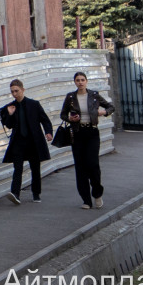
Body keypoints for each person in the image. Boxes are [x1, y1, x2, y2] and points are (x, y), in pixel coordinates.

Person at [61, 70, 115, 209]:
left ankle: (97, 194)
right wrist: (70, 118)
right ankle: (86, 200)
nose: (80, 82)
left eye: (82, 80)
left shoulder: (94, 95)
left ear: (86, 81)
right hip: (77, 133)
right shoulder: (71, 97)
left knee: (92, 164)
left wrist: (104, 112)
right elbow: (63, 114)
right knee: (80, 167)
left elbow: (111, 107)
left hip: (91, 132)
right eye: (77, 80)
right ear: (75, 82)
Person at [0, 78, 52, 204]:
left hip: (33, 141)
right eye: (12, 92)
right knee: (17, 168)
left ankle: (36, 193)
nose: (14, 94)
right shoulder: (10, 107)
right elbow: (9, 126)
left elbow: (44, 119)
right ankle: (15, 194)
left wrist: (48, 132)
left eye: (16, 91)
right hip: (18, 142)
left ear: (23, 90)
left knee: (35, 168)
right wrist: (10, 114)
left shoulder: (34, 104)